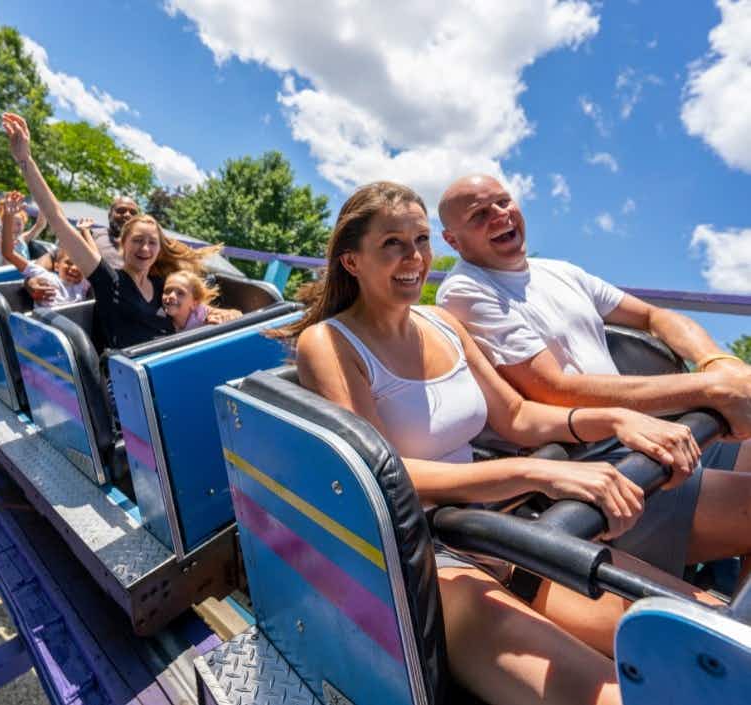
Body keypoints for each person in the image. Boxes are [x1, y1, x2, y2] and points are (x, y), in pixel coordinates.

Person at [281, 180, 722, 705]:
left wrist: (615, 421)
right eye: (392, 244)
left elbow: (516, 417)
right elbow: (384, 473)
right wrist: (540, 472)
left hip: (499, 532)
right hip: (424, 558)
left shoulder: (442, 323)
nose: (413, 258)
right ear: (352, 261)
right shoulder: (328, 342)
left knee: (706, 638)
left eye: (420, 240)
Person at [436, 174, 751, 577]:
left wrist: (715, 362)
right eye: (479, 214)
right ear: (452, 241)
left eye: (502, 202)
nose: (499, 215)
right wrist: (710, 389)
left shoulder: (559, 271)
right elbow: (553, 390)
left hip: (653, 432)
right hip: (600, 461)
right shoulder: (466, 291)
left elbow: (654, 316)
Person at [1, 112, 238, 347]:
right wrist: (25, 160)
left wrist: (222, 314)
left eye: (152, 242)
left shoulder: (162, 285)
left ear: (159, 248)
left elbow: (194, 307)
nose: (145, 248)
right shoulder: (109, 280)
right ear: (123, 244)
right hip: (129, 373)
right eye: (137, 240)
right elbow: (57, 218)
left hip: (166, 360)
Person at [0, 191, 89, 308]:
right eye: (69, 263)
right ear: (56, 265)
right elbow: (8, 253)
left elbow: (95, 259)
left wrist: (85, 231)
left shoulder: (83, 284)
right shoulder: (44, 275)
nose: (74, 268)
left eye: (79, 265)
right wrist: (8, 216)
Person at [0, 159, 47, 265]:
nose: (15, 228)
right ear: (3, 223)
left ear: (24, 225)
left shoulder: (23, 239)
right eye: (11, 223)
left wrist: (41, 195)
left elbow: (40, 225)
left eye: (18, 224)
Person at [162, 270, 238, 331]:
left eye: (180, 293)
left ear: (194, 303)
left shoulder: (200, 314)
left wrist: (220, 318)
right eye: (167, 291)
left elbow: (236, 314)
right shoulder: (162, 317)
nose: (171, 296)